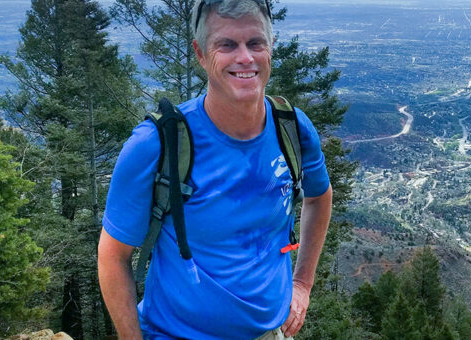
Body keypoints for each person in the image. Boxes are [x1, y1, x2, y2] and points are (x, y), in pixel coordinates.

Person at [97, 0, 332, 338]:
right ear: (200, 54)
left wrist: (302, 283)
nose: (245, 57)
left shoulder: (292, 128)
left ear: (271, 48)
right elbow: (113, 256)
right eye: (227, 44)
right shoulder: (156, 143)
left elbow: (319, 198)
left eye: (255, 43)